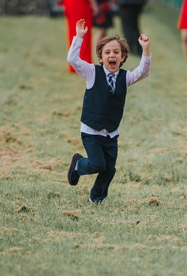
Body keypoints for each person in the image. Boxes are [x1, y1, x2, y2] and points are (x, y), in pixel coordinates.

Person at [65, 19, 152, 203]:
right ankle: (79, 164)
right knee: (97, 164)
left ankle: (95, 199)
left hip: (111, 133)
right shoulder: (91, 72)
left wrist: (145, 50)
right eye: (107, 52)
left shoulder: (125, 77)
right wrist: (79, 37)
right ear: (101, 57)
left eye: (116, 52)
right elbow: (73, 60)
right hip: (91, 131)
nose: (111, 55)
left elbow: (142, 72)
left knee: (109, 169)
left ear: (122, 57)